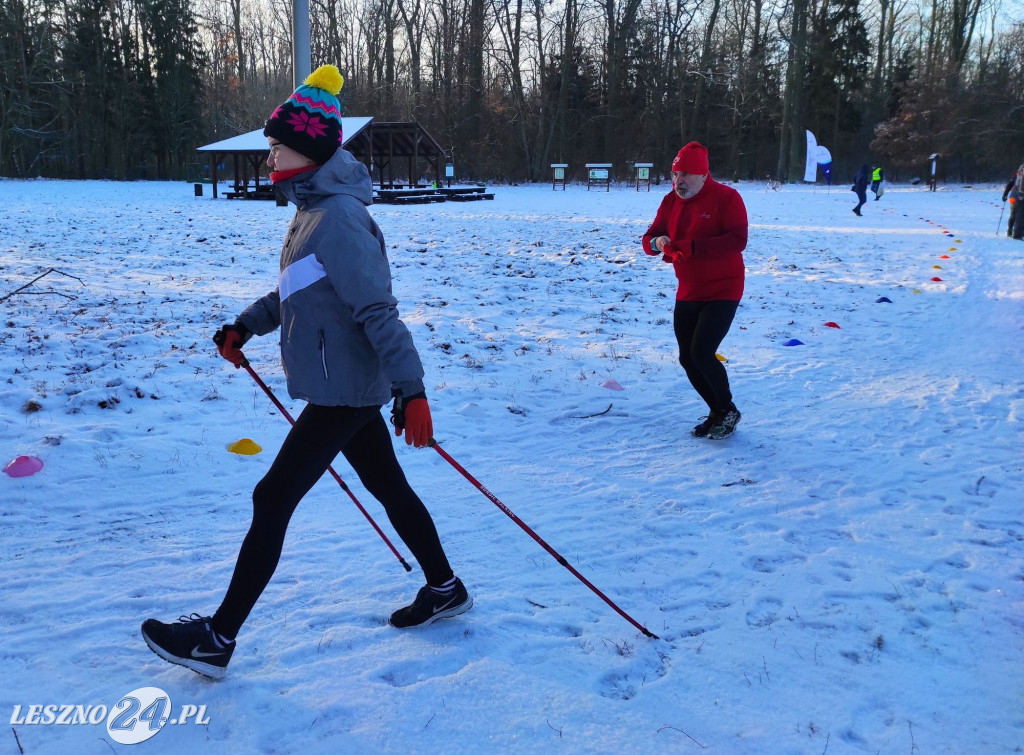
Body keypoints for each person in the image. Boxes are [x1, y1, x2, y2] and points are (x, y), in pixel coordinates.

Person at [141, 65, 471, 680]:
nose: (268, 158)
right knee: (389, 489)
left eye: (276, 147)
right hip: (340, 384)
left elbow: (379, 313)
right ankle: (445, 587)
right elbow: (295, 294)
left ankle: (217, 639)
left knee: (272, 498)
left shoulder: (339, 219)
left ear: (311, 149)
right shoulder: (310, 212)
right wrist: (245, 325)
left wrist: (414, 390)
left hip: (343, 392)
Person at [641, 142, 748, 440]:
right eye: (675, 174)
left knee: (702, 352)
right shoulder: (670, 201)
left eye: (686, 174)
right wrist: (656, 243)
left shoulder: (727, 198)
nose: (679, 181)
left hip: (723, 288)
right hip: (688, 289)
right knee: (687, 358)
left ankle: (726, 409)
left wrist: (692, 248)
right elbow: (649, 237)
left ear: (703, 175)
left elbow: (738, 240)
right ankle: (719, 411)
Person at [1001, 170, 1020, 238]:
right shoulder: (1018, 175)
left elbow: (1009, 185)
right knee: (1016, 215)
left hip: (1013, 197)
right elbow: (1010, 185)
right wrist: (1005, 195)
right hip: (1017, 198)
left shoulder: (1017, 175)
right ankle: (1012, 231)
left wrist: (1005, 195)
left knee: (1013, 214)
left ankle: (1010, 231)